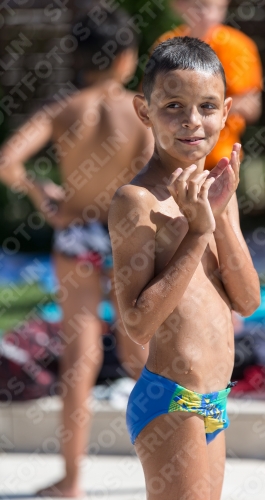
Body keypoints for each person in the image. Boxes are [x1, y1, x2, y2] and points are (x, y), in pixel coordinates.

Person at [0, 8, 152, 498]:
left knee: (79, 362)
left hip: (76, 238)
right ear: (127, 58)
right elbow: (156, 177)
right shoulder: (141, 109)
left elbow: (7, 162)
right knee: (142, 358)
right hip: (124, 236)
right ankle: (170, 470)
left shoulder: (63, 108)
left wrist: (40, 192)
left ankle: (71, 480)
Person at [109, 37, 261, 500]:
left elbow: (248, 301)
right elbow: (137, 324)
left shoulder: (217, 190)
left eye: (207, 106)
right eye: (173, 105)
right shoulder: (137, 202)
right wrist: (197, 232)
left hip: (216, 401)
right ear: (144, 110)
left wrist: (218, 217)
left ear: (226, 110)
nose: (192, 121)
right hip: (172, 399)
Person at [154, 0, 263, 169]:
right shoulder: (166, 44)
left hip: (218, 160)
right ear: (180, 5)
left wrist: (185, 108)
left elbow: (251, 106)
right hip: (172, 159)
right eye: (201, 6)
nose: (211, 14)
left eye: (219, 8)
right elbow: (152, 102)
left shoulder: (238, 45)